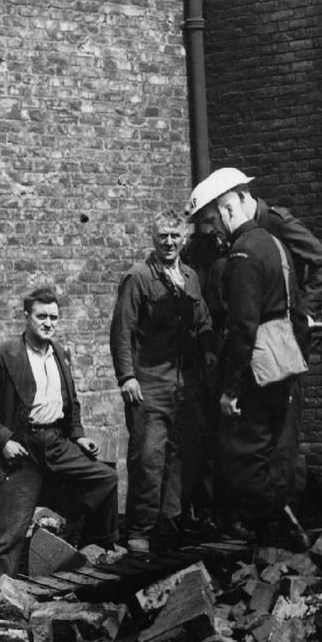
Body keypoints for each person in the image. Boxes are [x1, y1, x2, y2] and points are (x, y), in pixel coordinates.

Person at [185, 172, 311, 550]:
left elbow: (242, 328)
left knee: (240, 458)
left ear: (228, 208)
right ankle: (273, 540)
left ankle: (281, 526)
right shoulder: (273, 243)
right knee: (274, 451)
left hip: (255, 367)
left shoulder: (241, 253)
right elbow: (298, 311)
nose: (210, 231)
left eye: (210, 220)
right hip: (283, 358)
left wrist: (231, 390)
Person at [0, 287, 120, 583]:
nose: (48, 323)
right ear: (27, 317)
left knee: (105, 480)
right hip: (20, 449)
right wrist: (3, 440)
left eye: (53, 317)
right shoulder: (2, 354)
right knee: (6, 533)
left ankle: (93, 557)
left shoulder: (60, 354)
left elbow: (70, 401)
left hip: (55, 443)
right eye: (41, 316)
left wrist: (77, 436)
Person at [111, 210, 215, 553]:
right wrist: (126, 376)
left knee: (181, 457)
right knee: (149, 458)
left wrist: (212, 356)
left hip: (185, 384)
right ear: (153, 239)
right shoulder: (138, 277)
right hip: (149, 384)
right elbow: (121, 330)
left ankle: (169, 528)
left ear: (184, 238)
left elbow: (203, 325)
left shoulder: (190, 277)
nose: (169, 242)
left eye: (174, 235)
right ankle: (140, 530)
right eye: (162, 236)